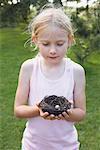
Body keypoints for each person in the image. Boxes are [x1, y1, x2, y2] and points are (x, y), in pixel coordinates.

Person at [14, 5, 86, 150]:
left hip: (66, 146)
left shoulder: (76, 71)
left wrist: (65, 112)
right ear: (35, 40)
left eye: (59, 44)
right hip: (33, 145)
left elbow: (81, 113)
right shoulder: (29, 68)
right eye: (46, 44)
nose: (53, 50)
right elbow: (18, 110)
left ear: (70, 40)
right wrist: (39, 109)